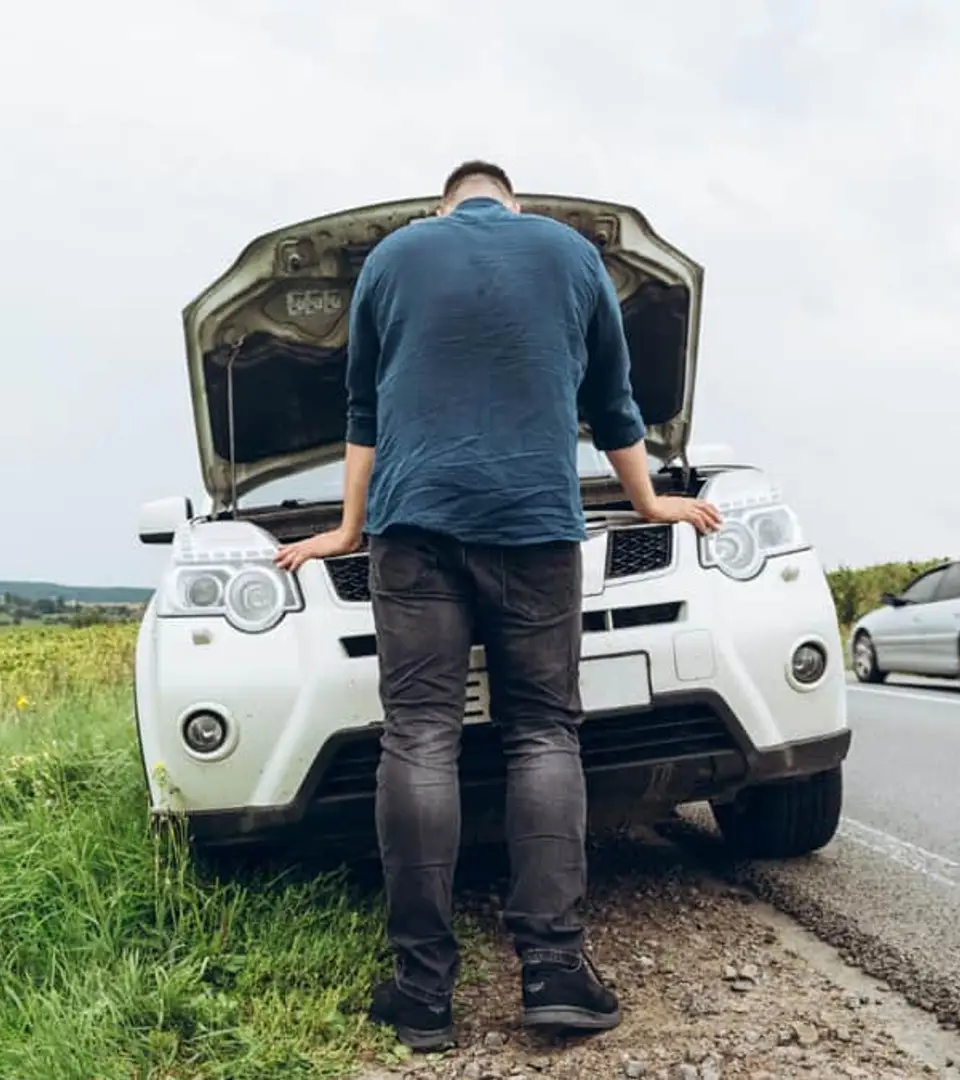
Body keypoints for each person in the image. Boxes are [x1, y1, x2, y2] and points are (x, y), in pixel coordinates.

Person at [275, 161, 722, 1052]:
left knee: (421, 734)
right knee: (544, 732)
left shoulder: (393, 259)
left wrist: (346, 529)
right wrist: (648, 504)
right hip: (534, 523)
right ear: (513, 202)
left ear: (442, 205)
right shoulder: (572, 253)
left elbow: (363, 413)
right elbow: (612, 404)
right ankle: (554, 972)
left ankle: (423, 994)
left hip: (413, 527)